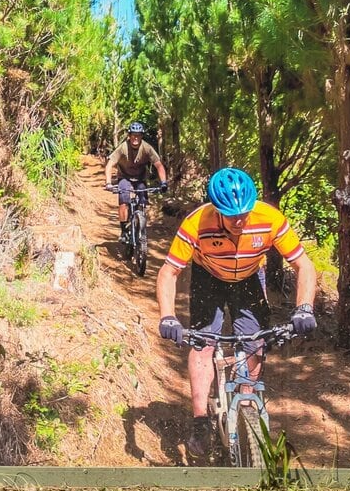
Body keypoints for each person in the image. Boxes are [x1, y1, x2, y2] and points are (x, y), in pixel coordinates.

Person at [155, 166, 318, 464]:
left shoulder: (269, 219)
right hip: (209, 277)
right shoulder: (196, 223)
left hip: (249, 278)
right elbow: (169, 271)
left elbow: (303, 264)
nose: (240, 221)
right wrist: (168, 316)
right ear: (216, 209)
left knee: (256, 342)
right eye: (231, 215)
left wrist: (304, 307)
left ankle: (247, 405)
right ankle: (201, 421)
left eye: (244, 213)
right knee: (202, 343)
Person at [103, 121, 168, 235]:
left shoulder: (147, 148)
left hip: (140, 178)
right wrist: (108, 182)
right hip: (124, 177)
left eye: (138, 135)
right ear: (129, 136)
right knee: (124, 199)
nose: (135, 138)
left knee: (142, 200)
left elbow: (159, 165)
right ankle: (124, 230)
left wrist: (163, 182)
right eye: (133, 135)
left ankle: (139, 222)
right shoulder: (123, 148)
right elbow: (109, 165)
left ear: (141, 136)